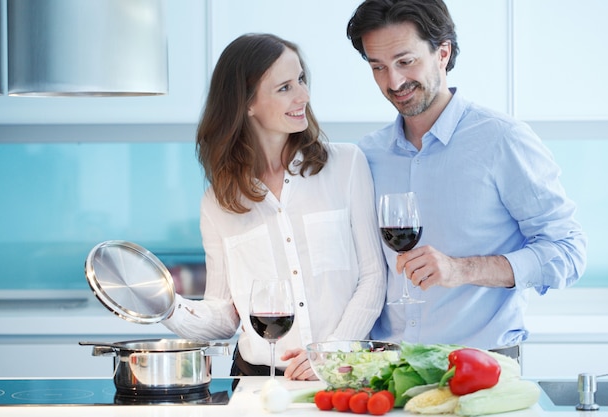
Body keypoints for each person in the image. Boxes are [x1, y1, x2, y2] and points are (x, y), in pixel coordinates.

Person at [346, 0, 587, 359]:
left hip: (482, 366)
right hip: (385, 365)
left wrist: (461, 270)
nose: (392, 81)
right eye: (377, 66)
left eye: (405, 61)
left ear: (442, 53)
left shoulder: (502, 140)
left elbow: (569, 251)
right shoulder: (367, 155)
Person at [161, 33, 386, 379]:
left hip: (343, 373)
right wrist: (163, 307)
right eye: (285, 88)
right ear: (247, 103)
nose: (304, 96)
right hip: (258, 380)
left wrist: (332, 351)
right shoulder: (218, 203)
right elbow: (223, 315)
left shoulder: (347, 165)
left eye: (301, 80)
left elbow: (373, 277)